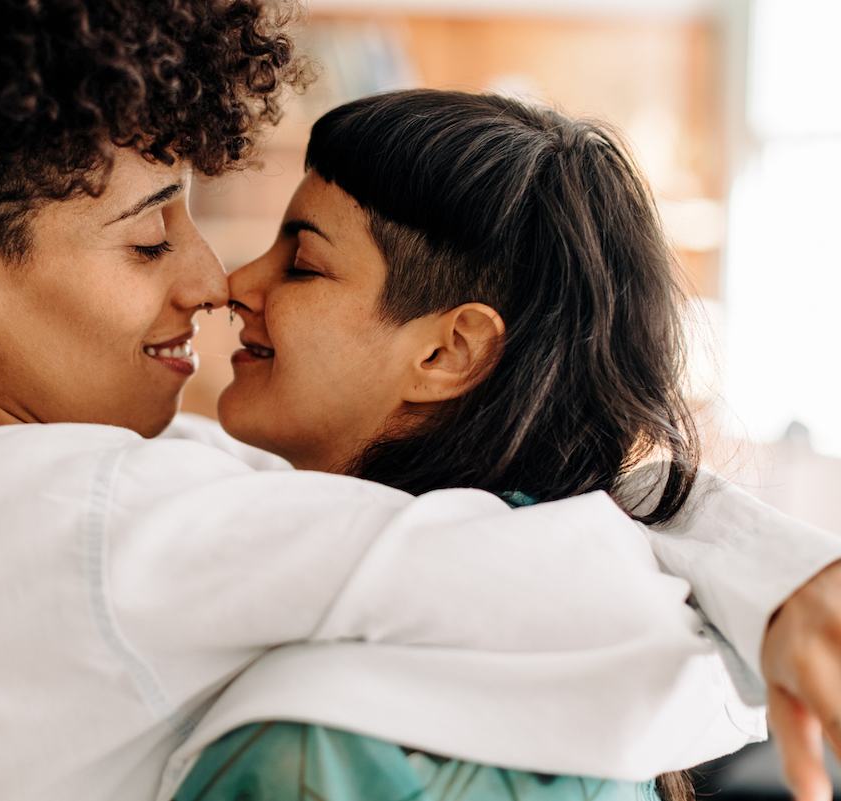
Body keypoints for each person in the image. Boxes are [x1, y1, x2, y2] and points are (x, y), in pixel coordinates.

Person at [0, 3, 841, 800]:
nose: (213, 280)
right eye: (143, 240)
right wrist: (776, 594)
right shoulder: (92, 519)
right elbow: (598, 591)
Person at [164, 88, 746, 801]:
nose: (234, 283)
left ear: (450, 351)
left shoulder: (326, 750)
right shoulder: (588, 639)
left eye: (303, 264)